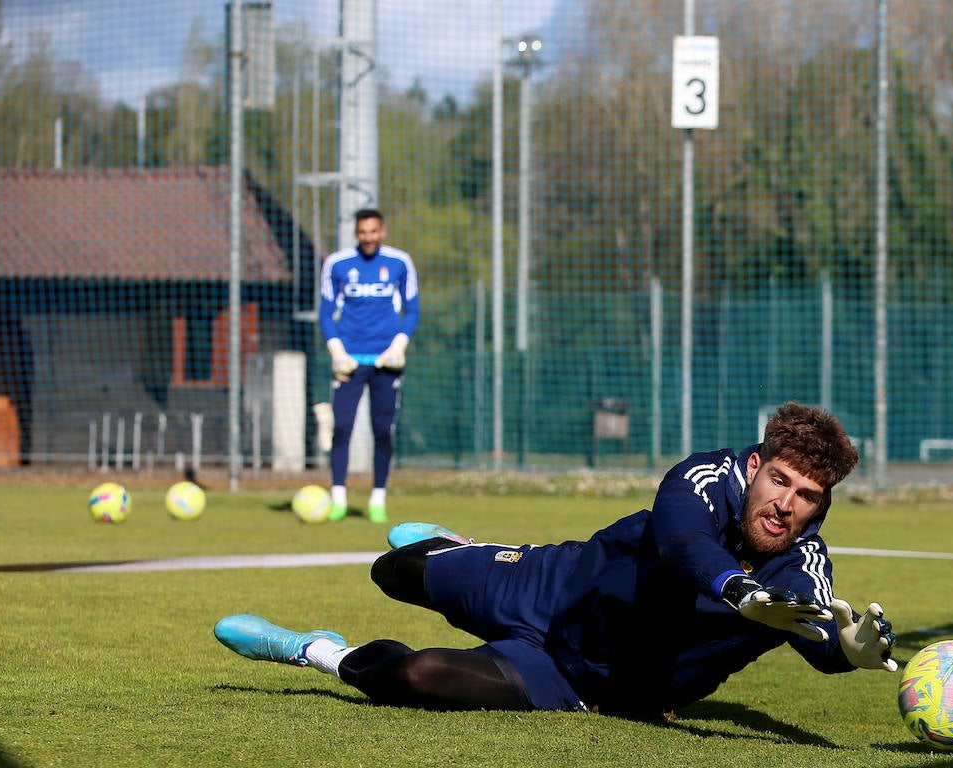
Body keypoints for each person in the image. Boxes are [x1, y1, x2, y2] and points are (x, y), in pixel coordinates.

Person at [214, 402, 897, 718]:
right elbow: (684, 542)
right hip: (549, 583)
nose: (787, 504)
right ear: (754, 465)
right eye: (780, 480)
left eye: (809, 495)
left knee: (421, 676)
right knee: (394, 571)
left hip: (576, 679)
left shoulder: (802, 564)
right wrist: (732, 588)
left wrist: (847, 652)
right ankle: (461, 549)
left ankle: (315, 651)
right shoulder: (705, 478)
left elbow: (817, 627)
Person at [317, 207, 420, 524]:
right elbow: (325, 311)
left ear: (382, 231)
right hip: (350, 360)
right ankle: (338, 498)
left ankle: (378, 498)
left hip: (386, 362)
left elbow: (412, 309)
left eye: (373, 231)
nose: (368, 237)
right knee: (342, 428)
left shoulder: (399, 262)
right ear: (356, 233)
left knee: (383, 431)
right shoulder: (337, 264)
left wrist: (398, 346)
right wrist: (337, 351)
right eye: (363, 232)